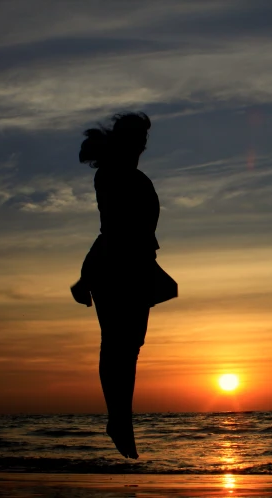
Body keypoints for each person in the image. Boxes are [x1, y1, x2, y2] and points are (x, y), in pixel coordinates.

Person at [70, 112, 161, 459]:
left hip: (138, 266)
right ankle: (119, 420)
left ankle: (121, 420)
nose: (141, 144)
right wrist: (88, 276)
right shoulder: (112, 176)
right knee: (117, 346)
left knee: (129, 348)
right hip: (116, 267)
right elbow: (113, 232)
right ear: (123, 142)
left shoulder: (131, 176)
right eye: (136, 138)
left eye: (143, 139)